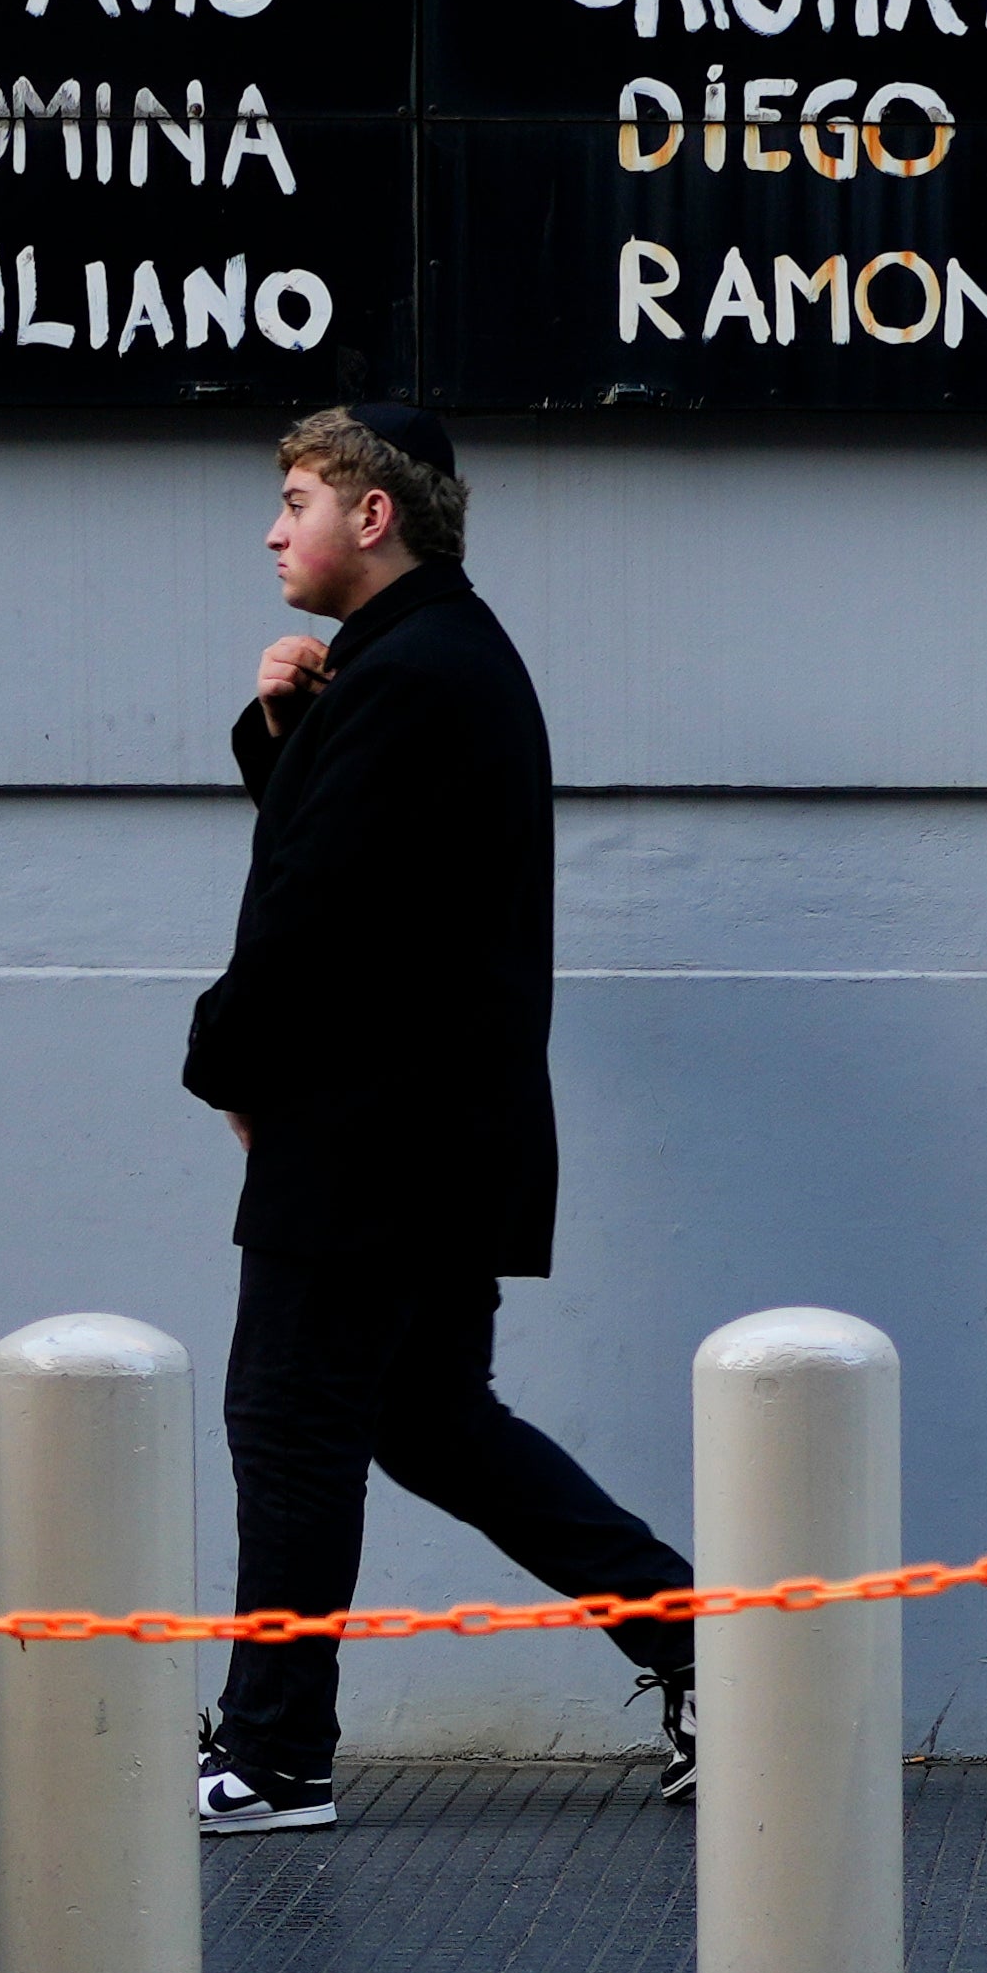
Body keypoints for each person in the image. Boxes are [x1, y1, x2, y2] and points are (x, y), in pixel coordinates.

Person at [176, 402, 695, 1831]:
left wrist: (224, 1066)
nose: (276, 530)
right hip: (432, 1138)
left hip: (366, 1141)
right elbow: (367, 866)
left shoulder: (411, 677)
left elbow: (312, 913)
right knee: (429, 1422)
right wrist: (285, 730)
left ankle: (275, 1755)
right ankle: (706, 1644)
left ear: (374, 514)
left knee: (288, 1426)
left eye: (296, 500)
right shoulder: (424, 665)